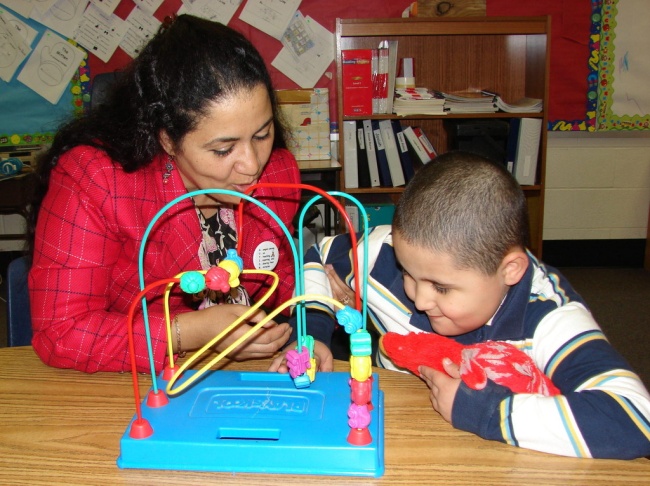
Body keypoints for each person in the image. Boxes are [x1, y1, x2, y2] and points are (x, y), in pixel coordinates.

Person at [270, 151, 650, 459]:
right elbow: (317, 255)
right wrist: (314, 331)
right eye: (408, 273)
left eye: (441, 287)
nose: (420, 299)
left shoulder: (548, 316)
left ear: (510, 271)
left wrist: (482, 411)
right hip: (399, 438)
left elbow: (635, 418)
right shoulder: (387, 252)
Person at [27, 15, 301, 374]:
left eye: (262, 134)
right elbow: (61, 333)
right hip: (129, 384)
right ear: (167, 140)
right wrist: (194, 331)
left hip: (238, 377)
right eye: (223, 150)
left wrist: (313, 309)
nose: (252, 165)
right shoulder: (97, 180)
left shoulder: (278, 175)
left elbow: (281, 281)